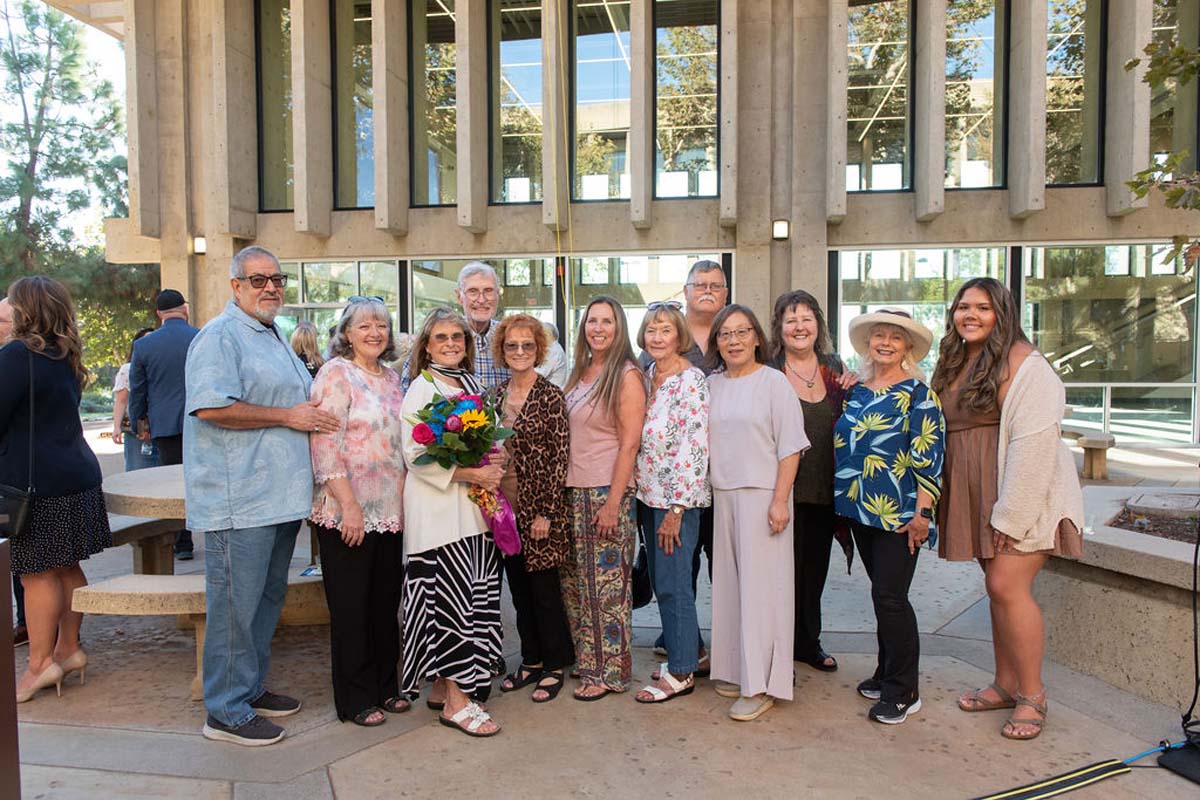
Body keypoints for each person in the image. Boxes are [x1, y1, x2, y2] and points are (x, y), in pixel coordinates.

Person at [185, 245, 340, 746]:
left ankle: (247, 689)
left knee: (265, 601)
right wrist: (288, 416)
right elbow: (211, 408)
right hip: (241, 501)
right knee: (235, 606)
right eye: (257, 280)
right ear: (236, 286)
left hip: (278, 499)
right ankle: (224, 711)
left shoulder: (271, 334)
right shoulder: (220, 336)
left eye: (277, 278)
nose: (270, 287)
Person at [931, 278, 1083, 740]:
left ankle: (1033, 696)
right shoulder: (957, 359)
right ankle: (1005, 683)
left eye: (982, 307)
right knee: (996, 589)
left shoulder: (1027, 364)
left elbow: (1034, 448)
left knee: (1005, 584)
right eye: (963, 307)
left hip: (1018, 494)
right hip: (975, 492)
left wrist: (1011, 515)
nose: (970, 315)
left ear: (1003, 312)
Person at [1, 276, 113, 703]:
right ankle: (69, 650)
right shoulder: (64, 355)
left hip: (36, 483)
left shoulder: (16, 355)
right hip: (77, 475)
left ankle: (39, 665)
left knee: (36, 575)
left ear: (25, 309)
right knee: (66, 568)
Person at [834, 307, 945, 726]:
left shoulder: (919, 395)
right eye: (878, 335)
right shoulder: (856, 391)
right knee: (882, 594)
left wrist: (922, 515)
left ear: (908, 348)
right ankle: (885, 673)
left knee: (892, 598)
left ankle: (905, 690)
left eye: (894, 338)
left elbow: (929, 459)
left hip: (900, 515)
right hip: (860, 510)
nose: (884, 342)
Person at [400, 307, 505, 737]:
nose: (450, 344)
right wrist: (472, 473)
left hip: (474, 515)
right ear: (427, 345)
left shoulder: (471, 384)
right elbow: (415, 456)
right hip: (439, 516)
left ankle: (446, 687)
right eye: (441, 338)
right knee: (450, 607)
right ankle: (458, 705)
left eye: (457, 338)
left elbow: (492, 435)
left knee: (473, 602)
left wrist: (496, 460)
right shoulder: (419, 392)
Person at [309, 298, 408, 726]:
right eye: (364, 325)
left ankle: (388, 687)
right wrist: (349, 505)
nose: (374, 332)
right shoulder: (335, 373)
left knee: (385, 604)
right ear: (346, 333)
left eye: (381, 325)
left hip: (390, 510)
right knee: (352, 608)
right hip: (346, 510)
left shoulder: (391, 379)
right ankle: (355, 699)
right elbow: (324, 444)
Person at [706, 304, 807, 721]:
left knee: (763, 596)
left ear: (757, 338)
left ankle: (763, 684)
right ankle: (734, 669)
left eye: (741, 332)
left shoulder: (774, 383)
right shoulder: (711, 385)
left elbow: (791, 446)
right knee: (729, 590)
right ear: (716, 343)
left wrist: (780, 499)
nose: (733, 340)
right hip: (722, 495)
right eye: (725, 334)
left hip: (763, 496)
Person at [562, 296, 646, 701]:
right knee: (578, 585)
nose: (598, 328)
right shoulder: (581, 371)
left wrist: (613, 503)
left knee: (608, 590)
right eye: (591, 321)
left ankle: (610, 671)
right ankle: (588, 661)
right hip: (573, 489)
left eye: (606, 321)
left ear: (619, 327)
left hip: (605, 492)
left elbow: (630, 444)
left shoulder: (626, 374)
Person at [632, 301, 711, 704]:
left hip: (674, 502)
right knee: (666, 580)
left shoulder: (691, 379)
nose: (657, 337)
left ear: (679, 336)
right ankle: (692, 652)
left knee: (673, 584)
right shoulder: (647, 376)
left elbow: (694, 447)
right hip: (647, 496)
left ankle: (680, 672)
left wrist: (677, 509)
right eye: (650, 330)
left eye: (665, 330)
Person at [493, 314, 573, 703]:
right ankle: (531, 660)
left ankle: (555, 664)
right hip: (503, 512)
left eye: (527, 345)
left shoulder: (551, 395)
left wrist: (546, 513)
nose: (520, 352)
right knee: (519, 592)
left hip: (540, 512)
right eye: (512, 345)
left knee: (544, 592)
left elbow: (560, 459)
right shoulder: (494, 398)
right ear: (502, 351)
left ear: (538, 349)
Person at [768, 290, 850, 673]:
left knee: (813, 573)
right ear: (779, 329)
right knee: (778, 575)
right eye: (791, 320)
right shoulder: (769, 370)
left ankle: (807, 643)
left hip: (824, 489)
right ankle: (775, 644)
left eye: (806, 319)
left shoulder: (835, 368)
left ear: (818, 325)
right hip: (781, 491)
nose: (799, 327)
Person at [129, 289, 200, 559]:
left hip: (165, 423)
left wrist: (140, 422)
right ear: (184, 308)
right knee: (201, 478)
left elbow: (138, 388)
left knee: (174, 481)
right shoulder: (200, 337)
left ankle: (181, 542)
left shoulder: (144, 345)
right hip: (201, 420)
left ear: (158, 313)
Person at [399, 262, 510, 393]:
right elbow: (407, 390)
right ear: (459, 296)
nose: (481, 299)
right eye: (473, 292)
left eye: (488, 291)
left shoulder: (509, 338)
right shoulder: (440, 337)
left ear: (498, 294)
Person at [0, 294, 28, 649]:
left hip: (17, 475)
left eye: (3, 322)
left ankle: (31, 626)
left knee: (26, 561)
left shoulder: (14, 358)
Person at [112, 328, 161, 472]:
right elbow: (121, 401)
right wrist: (116, 427)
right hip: (137, 428)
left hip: (162, 427)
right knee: (138, 472)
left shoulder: (163, 365)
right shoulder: (128, 369)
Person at [535, 322, 570, 388]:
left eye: (541, 335)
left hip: (552, 394)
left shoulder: (554, 351)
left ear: (548, 334)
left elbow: (541, 373)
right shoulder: (553, 349)